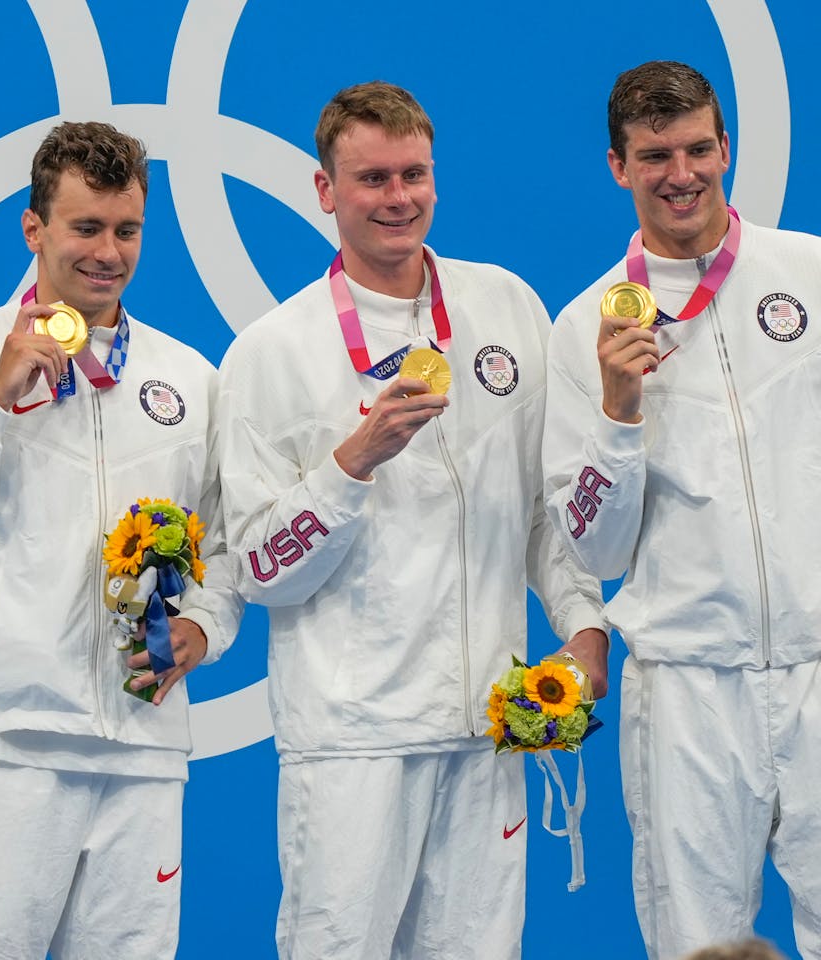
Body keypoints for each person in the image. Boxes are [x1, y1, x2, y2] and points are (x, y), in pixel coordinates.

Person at [541, 60, 821, 959]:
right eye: (654, 156)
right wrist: (617, 411)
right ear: (616, 166)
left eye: (698, 149)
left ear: (727, 147)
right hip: (686, 692)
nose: (682, 174)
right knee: (696, 946)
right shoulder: (583, 328)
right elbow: (592, 552)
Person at [217, 81, 607, 960]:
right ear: (325, 190)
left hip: (490, 729)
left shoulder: (505, 306)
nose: (399, 198)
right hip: (354, 742)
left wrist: (583, 626)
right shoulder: (271, 355)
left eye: (414, 174)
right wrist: (352, 464)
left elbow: (546, 507)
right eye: (372, 179)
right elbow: (259, 571)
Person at [0, 120, 241, 960]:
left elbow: (226, 547)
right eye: (86, 227)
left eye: (128, 229)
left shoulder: (188, 378)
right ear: (34, 228)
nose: (109, 252)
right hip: (6, 744)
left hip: (145, 747)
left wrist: (204, 628)